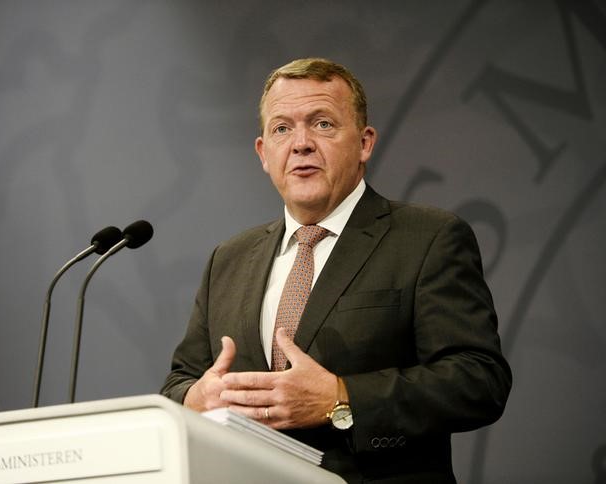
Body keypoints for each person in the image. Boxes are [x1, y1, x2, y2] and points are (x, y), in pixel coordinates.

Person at [160, 58, 512, 483]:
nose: (301, 143)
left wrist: (341, 399)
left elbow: (479, 380)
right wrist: (198, 397)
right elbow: (180, 382)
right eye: (282, 128)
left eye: (323, 124)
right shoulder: (229, 259)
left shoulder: (428, 238)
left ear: (364, 143)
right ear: (263, 153)